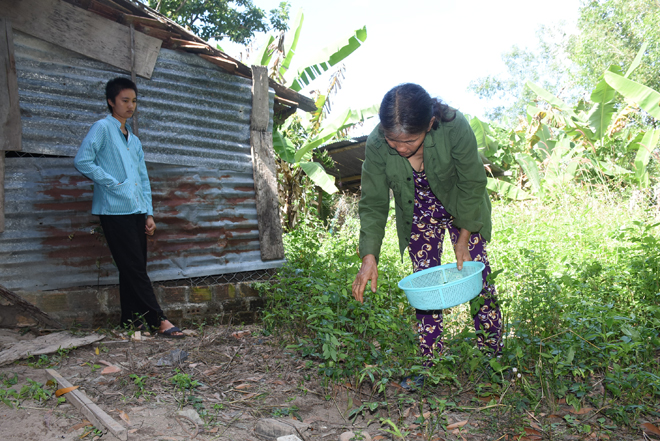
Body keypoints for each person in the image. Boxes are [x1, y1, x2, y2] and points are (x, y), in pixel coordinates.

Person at [351, 83, 501, 387]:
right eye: (393, 139)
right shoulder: (378, 144)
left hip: (463, 206)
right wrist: (369, 256)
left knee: (478, 277)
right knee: (425, 285)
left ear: (429, 124)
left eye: (408, 140)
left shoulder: (453, 126)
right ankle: (431, 365)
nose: (400, 148)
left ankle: (492, 359)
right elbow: (374, 202)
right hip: (418, 211)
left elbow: (473, 183)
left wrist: (464, 237)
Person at [74, 77, 183, 338]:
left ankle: (129, 321)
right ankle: (159, 320)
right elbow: (83, 160)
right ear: (111, 101)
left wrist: (149, 212)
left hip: (136, 211)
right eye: (125, 100)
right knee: (135, 268)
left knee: (130, 268)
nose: (130, 105)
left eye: (134, 101)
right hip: (113, 210)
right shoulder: (102, 128)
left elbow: (143, 177)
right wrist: (112, 183)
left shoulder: (133, 140)